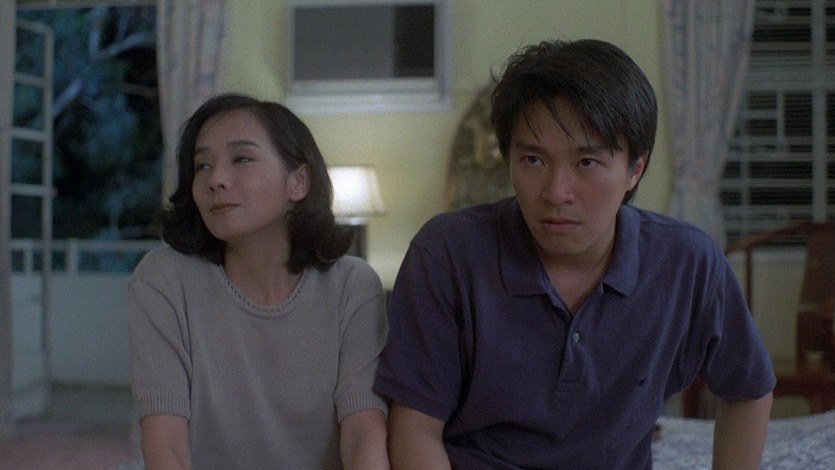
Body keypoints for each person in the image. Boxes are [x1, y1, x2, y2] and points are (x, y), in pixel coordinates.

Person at [373, 39, 775, 469]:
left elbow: (749, 390)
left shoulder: (686, 262)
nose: (556, 192)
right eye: (533, 160)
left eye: (586, 163)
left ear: (635, 169)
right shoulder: (448, 254)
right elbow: (415, 428)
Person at [129, 93, 389, 469]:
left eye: (242, 159)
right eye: (202, 166)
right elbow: (165, 445)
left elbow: (363, 433)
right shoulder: (163, 279)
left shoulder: (353, 286)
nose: (216, 180)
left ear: (298, 182)